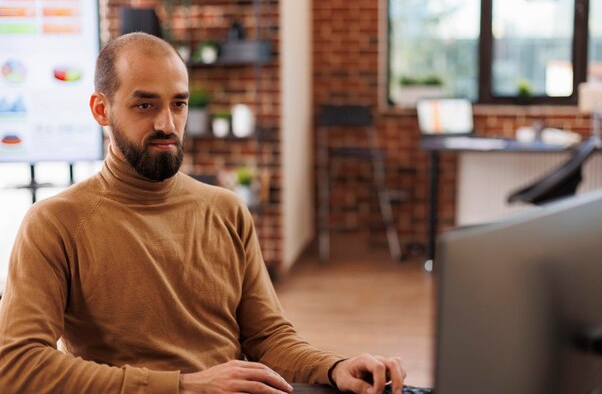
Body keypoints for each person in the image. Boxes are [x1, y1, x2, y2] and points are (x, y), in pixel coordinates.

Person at [0, 32, 406, 394]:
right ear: (101, 110)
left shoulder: (226, 209)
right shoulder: (55, 224)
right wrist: (185, 386)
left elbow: (268, 337)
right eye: (144, 105)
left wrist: (334, 367)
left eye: (178, 104)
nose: (167, 124)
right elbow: (17, 367)